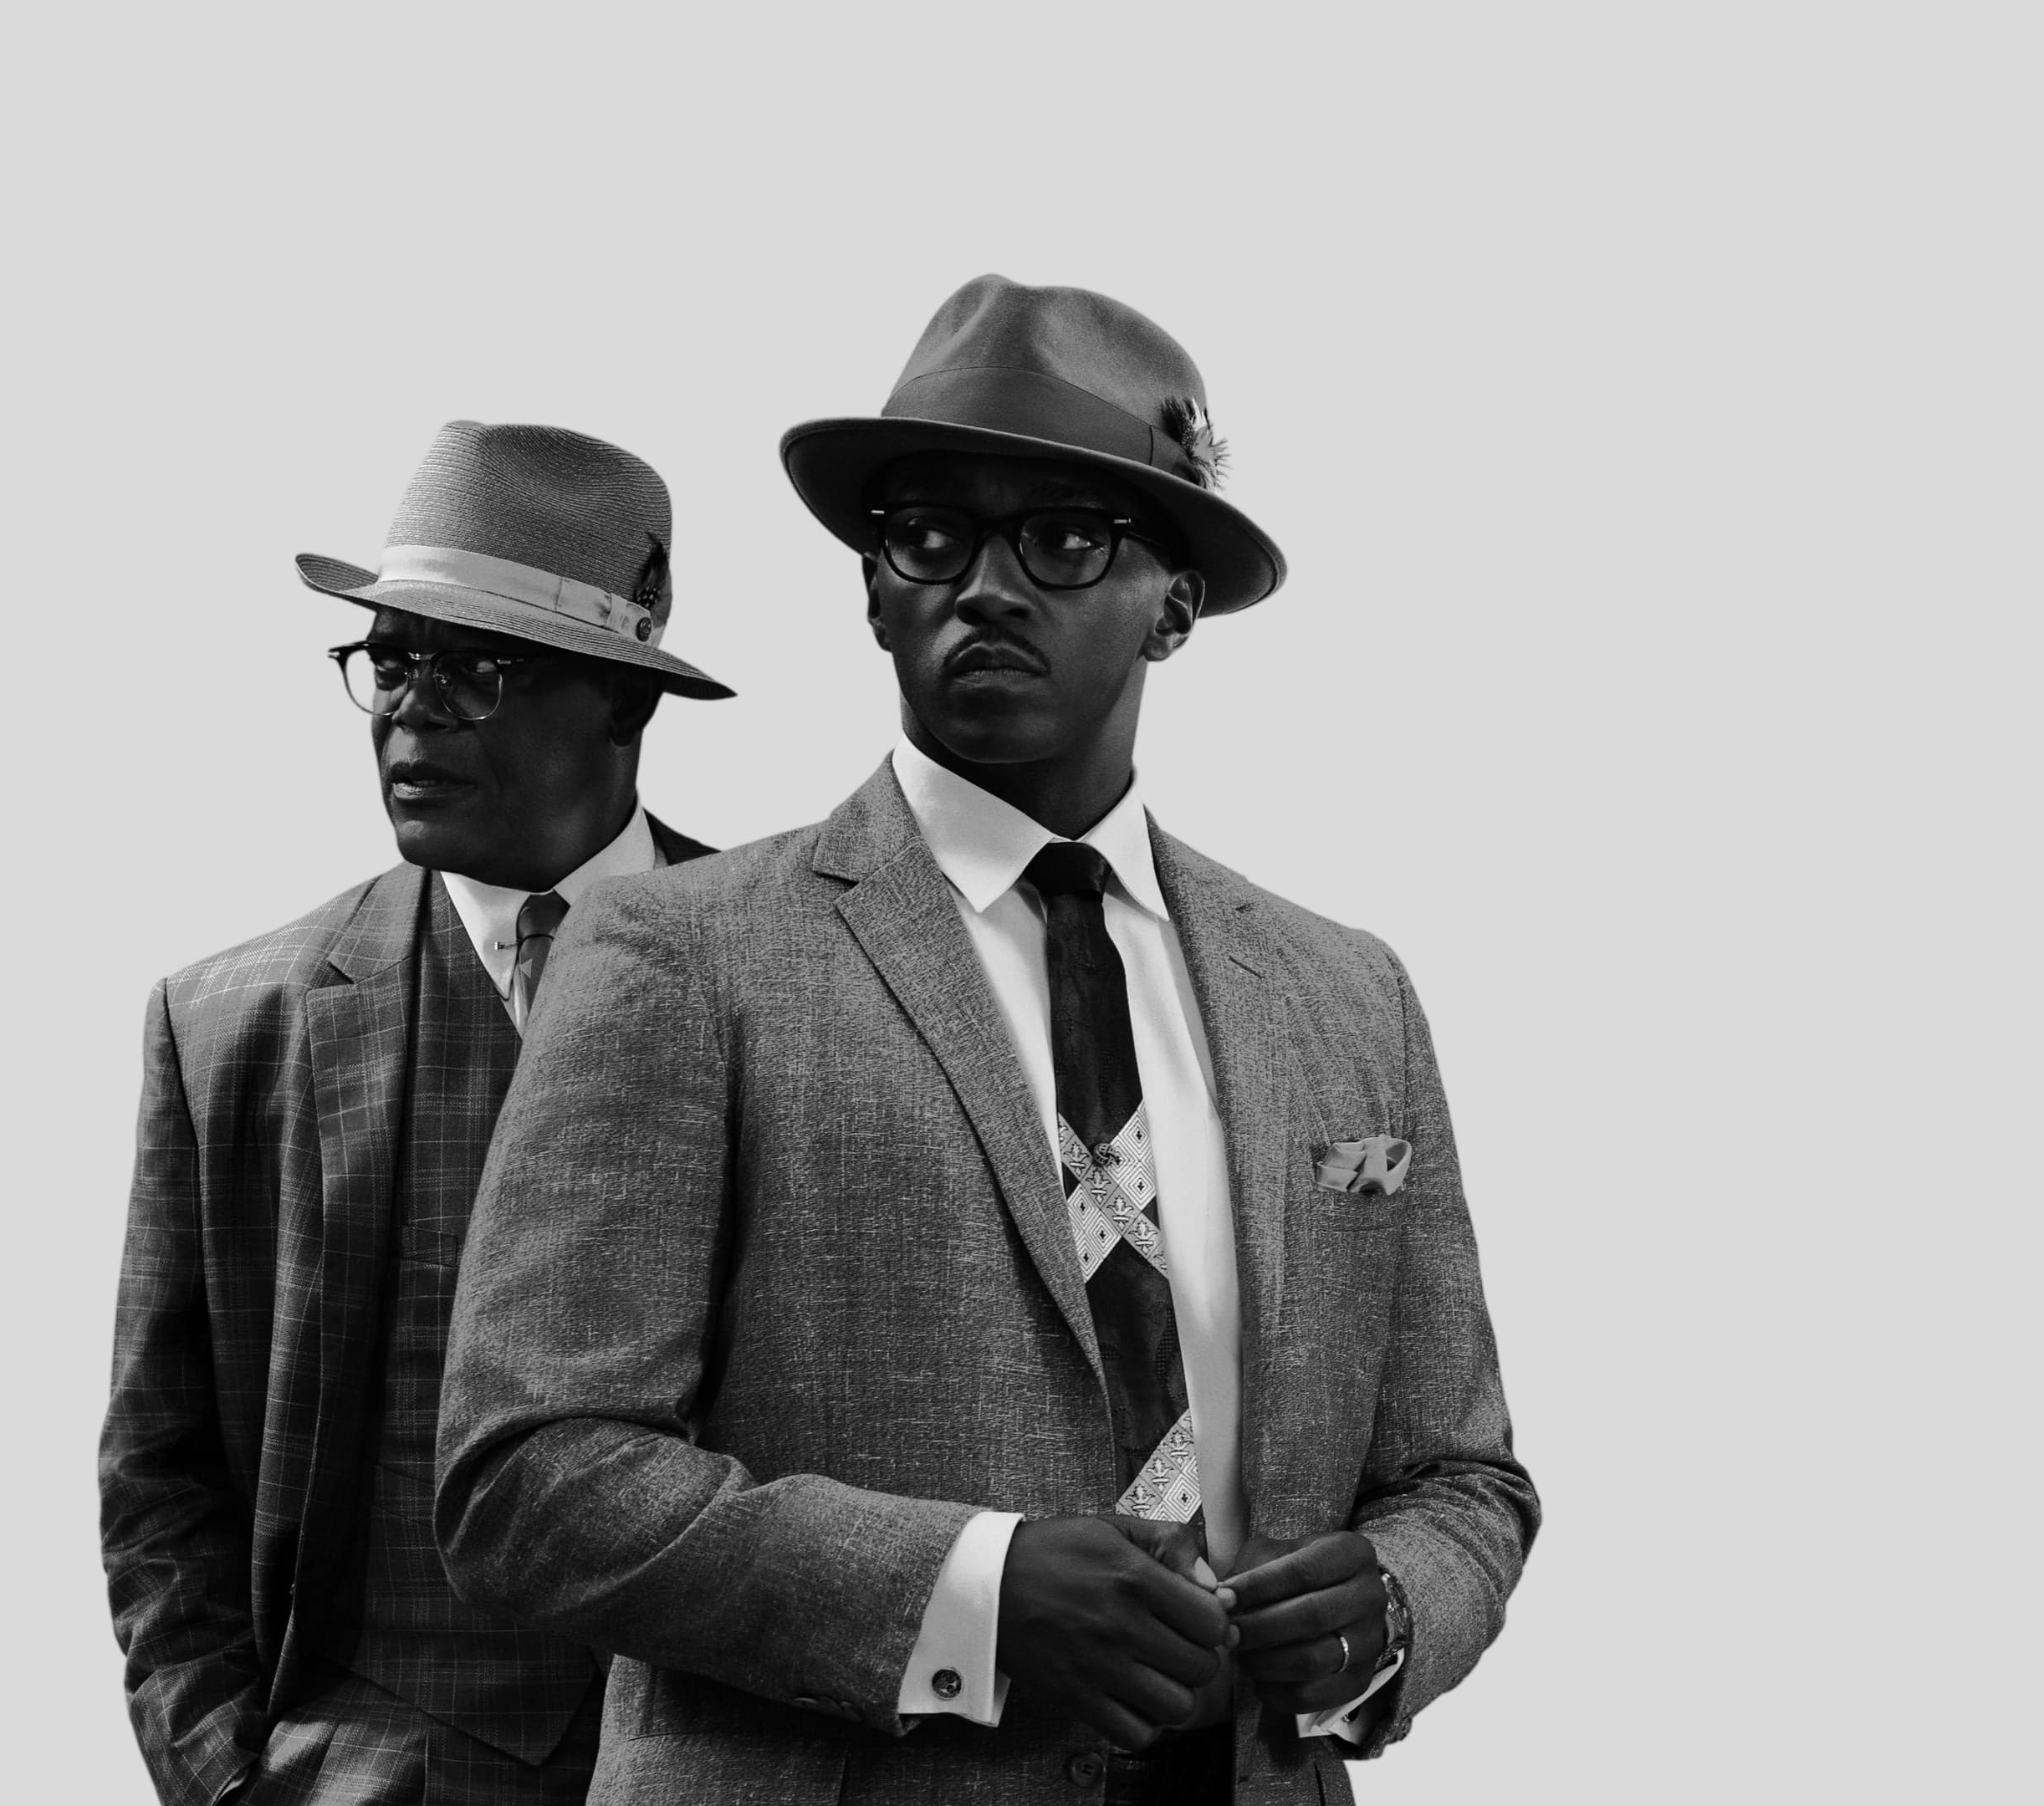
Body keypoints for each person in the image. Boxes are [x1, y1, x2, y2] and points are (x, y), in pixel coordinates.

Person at [433, 278, 1536, 1804]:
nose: (987, 586)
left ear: (1175, 604)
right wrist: (969, 1599)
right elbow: (528, 1479)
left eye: (1065, 538)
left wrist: (1396, 1611)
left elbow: (1462, 1475)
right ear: (873, 590)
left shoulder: (1347, 997)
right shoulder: (675, 955)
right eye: (930, 535)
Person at [100, 421, 733, 1805]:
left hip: (740, 1762)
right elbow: (161, 1478)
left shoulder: (809, 981)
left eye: (476, 669)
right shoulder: (229, 1027)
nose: (412, 713)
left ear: (626, 704)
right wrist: (232, 1781)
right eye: (390, 663)